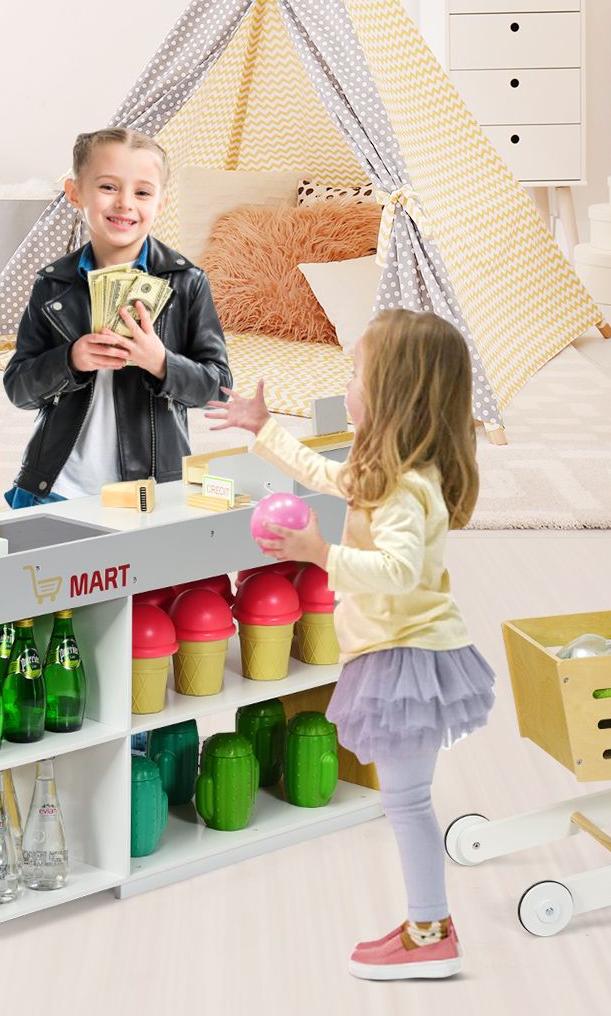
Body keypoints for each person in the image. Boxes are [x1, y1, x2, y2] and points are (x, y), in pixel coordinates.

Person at [206, 309, 494, 982]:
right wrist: (264, 430)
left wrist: (319, 552)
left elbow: (401, 572)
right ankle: (430, 924)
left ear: (394, 392)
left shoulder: (408, 488)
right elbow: (321, 473)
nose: (349, 383)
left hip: (410, 659)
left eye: (357, 373)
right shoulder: (383, 469)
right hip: (397, 654)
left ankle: (431, 933)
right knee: (407, 800)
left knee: (409, 803)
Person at [3, 127, 231, 507]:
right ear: (75, 193)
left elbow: (219, 390)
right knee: (42, 569)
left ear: (159, 204)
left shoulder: (187, 283)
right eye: (108, 187)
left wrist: (161, 363)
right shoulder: (53, 284)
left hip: (152, 492)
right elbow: (18, 388)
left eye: (142, 192)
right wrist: (71, 360)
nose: (125, 203)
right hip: (55, 487)